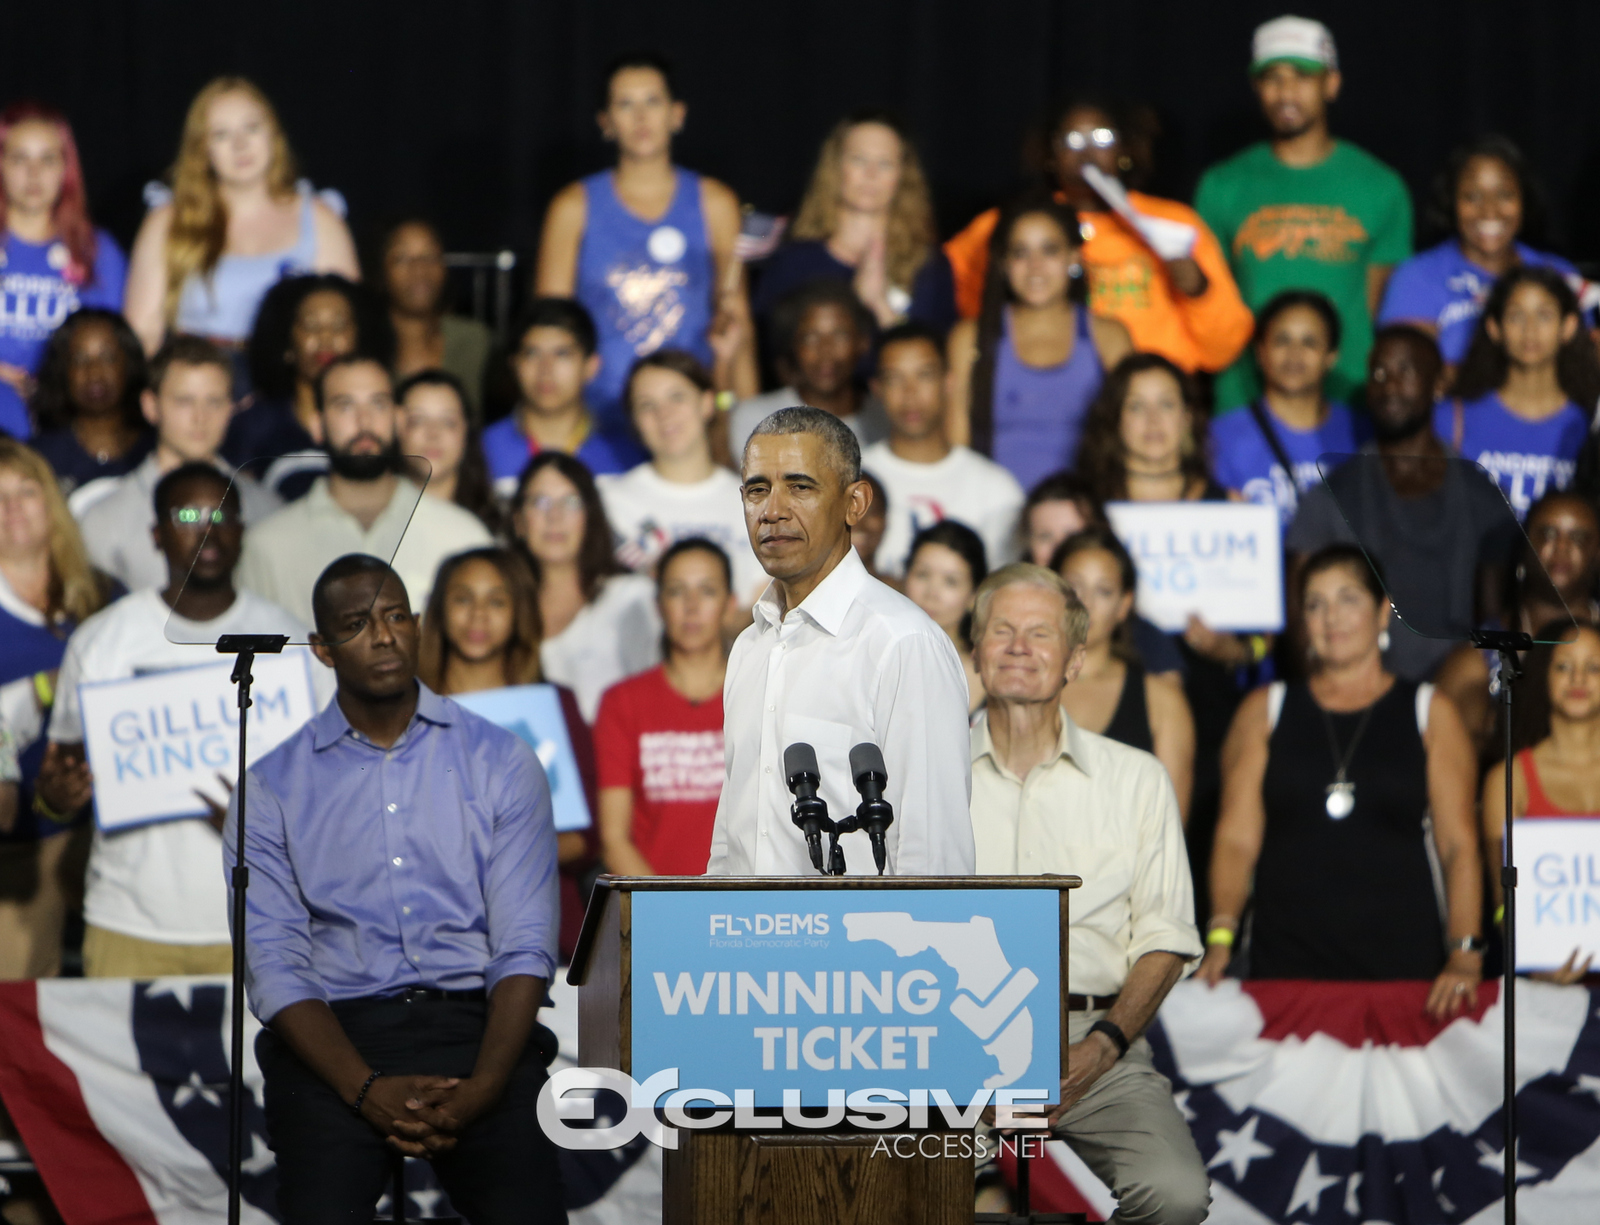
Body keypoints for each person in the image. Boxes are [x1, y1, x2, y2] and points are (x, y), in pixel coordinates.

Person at [226, 554, 564, 1224]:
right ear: (322, 650)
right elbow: (275, 969)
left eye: (396, 615)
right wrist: (367, 1089)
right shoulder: (269, 786)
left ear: (417, 626)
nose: (383, 635)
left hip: (478, 1026)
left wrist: (486, 1086)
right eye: (357, 623)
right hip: (338, 1040)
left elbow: (524, 945)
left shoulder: (501, 758)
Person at [967, 563, 1207, 1225]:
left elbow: (1166, 937)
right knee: (878, 1190)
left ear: (1074, 660)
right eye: (1002, 630)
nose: (1019, 646)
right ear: (976, 650)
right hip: (948, 1036)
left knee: (1175, 1193)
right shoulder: (923, 780)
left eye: (1040, 633)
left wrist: (1101, 1045)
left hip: (1094, 1032)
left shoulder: (1135, 778)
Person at [37, 463, 326, 977]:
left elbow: (332, 792)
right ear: (155, 534)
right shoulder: (102, 640)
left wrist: (255, 830)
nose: (207, 528)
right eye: (188, 514)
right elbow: (57, 781)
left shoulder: (291, 641)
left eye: (222, 514)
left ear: (242, 531)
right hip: (127, 923)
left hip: (262, 921)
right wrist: (58, 801)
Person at [1200, 545, 1484, 1018]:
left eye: (1347, 599)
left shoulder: (1430, 711)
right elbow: (1236, 839)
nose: (1331, 617)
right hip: (1284, 973)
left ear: (1381, 612)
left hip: (1406, 975)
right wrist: (1220, 937)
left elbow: (1459, 845)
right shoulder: (1265, 710)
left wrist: (1466, 952)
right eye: (1315, 604)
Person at [708, 406, 974, 875]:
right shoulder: (750, 647)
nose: (772, 511)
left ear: (855, 503)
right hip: (747, 942)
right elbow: (732, 843)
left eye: (800, 486)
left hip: (864, 945)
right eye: (757, 490)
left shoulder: (902, 643)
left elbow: (933, 860)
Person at [1196, 15, 1413, 410]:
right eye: (1272, 78)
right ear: (1256, 88)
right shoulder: (1221, 185)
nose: (1286, 92)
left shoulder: (1380, 186)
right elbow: (1209, 305)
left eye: (1302, 76)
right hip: (1244, 401)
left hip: (1348, 398)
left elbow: (1383, 310)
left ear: (1331, 84)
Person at [944, 99, 1252, 375]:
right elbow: (948, 278)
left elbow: (1222, 349)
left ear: (1123, 150)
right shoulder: (1019, 223)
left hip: (1152, 405)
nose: (1087, 153)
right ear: (1051, 154)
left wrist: (1197, 289)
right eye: (1072, 141)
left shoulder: (1172, 223)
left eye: (1101, 138)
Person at [535, 51, 754, 434]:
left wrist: (751, 426)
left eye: (652, 101)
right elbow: (550, 332)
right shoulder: (572, 207)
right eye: (625, 103)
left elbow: (738, 327)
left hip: (690, 423)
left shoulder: (715, 203)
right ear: (605, 122)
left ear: (677, 114)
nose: (641, 117)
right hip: (598, 419)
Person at [1287, 325, 1519, 682]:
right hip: (1358, 700)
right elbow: (1300, 618)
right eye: (1379, 374)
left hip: (1455, 702)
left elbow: (1497, 620)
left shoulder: (1483, 496)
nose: (1390, 385)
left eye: (1406, 371)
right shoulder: (1330, 497)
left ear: (1438, 383)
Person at [416, 546, 597, 962]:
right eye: (463, 598)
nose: (479, 615)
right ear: (439, 610)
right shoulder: (407, 713)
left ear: (520, 613)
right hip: (432, 945)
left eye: (497, 601)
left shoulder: (556, 706)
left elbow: (584, 838)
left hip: (543, 941)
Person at [237, 354, 493, 623]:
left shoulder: (461, 538)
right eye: (345, 406)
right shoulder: (267, 548)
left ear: (397, 419)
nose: (364, 421)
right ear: (317, 425)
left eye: (378, 404)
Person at [123, 77, 359, 354]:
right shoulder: (168, 221)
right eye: (221, 134)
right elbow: (142, 334)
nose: (240, 144)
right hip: (199, 387)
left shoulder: (319, 218)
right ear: (202, 150)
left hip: (290, 389)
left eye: (252, 128)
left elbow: (351, 328)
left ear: (274, 133)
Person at [0, 440, 112, 979]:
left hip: (111, 838)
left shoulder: (102, 594)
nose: (12, 508)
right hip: (20, 848)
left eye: (25, 492)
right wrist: (47, 687)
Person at [948, 195, 1133, 491]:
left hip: (1087, 516)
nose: (1035, 266)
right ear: (1004, 263)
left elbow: (1129, 442)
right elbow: (956, 450)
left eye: (1049, 250)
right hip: (994, 516)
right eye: (1021, 253)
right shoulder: (969, 338)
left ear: (1074, 257)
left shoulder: (1109, 337)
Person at [76, 335, 280, 590]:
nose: (200, 417)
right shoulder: (103, 521)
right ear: (151, 406)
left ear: (230, 408)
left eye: (214, 401)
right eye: (184, 401)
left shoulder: (266, 509)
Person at [1379, 135, 1590, 367]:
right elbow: (1411, 373)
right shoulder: (1416, 277)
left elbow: (1582, 365)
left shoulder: (1558, 273)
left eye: (1504, 195)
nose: (1489, 210)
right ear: (1451, 201)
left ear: (1524, 199)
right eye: (1473, 196)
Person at [595, 537, 734, 875]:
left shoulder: (760, 693)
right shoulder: (623, 703)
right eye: (676, 591)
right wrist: (667, 915)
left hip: (742, 913)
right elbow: (614, 839)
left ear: (730, 604)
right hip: (653, 912)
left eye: (707, 591)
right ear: (658, 605)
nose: (691, 606)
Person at [756, 112, 955, 337]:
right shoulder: (792, 262)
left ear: (902, 175)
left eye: (885, 163)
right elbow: (770, 353)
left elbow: (936, 360)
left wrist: (879, 306)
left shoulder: (929, 265)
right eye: (858, 159)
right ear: (835, 168)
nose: (871, 174)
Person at [1434, 491, 1600, 754]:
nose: (1562, 548)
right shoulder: (1477, 659)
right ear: (1524, 546)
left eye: (1578, 538)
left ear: (1597, 554)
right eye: (1548, 534)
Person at [0, 103, 127, 439]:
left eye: (47, 159)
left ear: (65, 168)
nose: (33, 173)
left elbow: (117, 346)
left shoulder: (97, 251)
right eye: (19, 159)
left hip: (70, 410)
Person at [1483, 620, 1600, 980]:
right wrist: (1535, 960)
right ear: (1543, 676)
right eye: (1564, 666)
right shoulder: (1508, 779)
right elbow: (1503, 906)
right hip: (1544, 992)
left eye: (1594, 667)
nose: (1578, 679)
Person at [599, 350, 765, 603]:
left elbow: (767, 600)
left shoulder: (756, 503)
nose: (664, 414)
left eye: (676, 397)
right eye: (647, 405)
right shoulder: (609, 503)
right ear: (634, 420)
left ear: (707, 403)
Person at [861, 322, 1024, 579]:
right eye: (895, 378)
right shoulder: (851, 480)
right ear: (876, 388)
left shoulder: (997, 489)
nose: (910, 393)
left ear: (949, 382)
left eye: (924, 375)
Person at [1054, 527, 1196, 820]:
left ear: (1124, 605)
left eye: (1103, 591)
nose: (1086, 603)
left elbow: (1170, 826)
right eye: (1074, 587)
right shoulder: (1013, 684)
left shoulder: (1161, 700)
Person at [511, 451, 659, 722]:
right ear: (518, 521)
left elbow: (654, 702)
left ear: (591, 516)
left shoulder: (630, 597)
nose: (554, 517)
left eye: (570, 502)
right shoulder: (502, 610)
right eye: (540, 502)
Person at [1442, 266, 1600, 519]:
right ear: (1494, 328)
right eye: (1516, 316)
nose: (1530, 329)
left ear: (1568, 327)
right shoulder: (1451, 418)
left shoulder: (1587, 426)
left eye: (1544, 315)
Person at [224, 273, 395, 496]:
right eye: (311, 325)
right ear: (286, 343)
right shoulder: (253, 426)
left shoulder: (381, 423)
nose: (325, 337)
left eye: (339, 325)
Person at [1210, 290, 1364, 524]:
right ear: (1260, 352)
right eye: (1282, 340)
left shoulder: (1362, 433)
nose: (1294, 354)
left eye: (1309, 342)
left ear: (1332, 356)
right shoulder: (1219, 438)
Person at [1020, 470, 1185, 680]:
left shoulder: (1147, 642)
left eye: (1073, 535)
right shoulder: (1006, 626)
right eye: (1045, 536)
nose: (1061, 548)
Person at [481, 299, 647, 496]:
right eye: (532, 354)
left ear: (591, 366)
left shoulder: (627, 454)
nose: (546, 369)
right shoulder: (482, 451)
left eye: (562, 354)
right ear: (515, 365)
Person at [727, 280, 888, 460]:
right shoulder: (757, 419)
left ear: (862, 343)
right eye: (811, 338)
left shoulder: (887, 418)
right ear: (792, 346)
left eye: (840, 335)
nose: (826, 351)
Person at [27, 308, 154, 496]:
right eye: (80, 359)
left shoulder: (157, 451)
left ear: (128, 365)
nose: (94, 372)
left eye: (107, 358)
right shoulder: (38, 458)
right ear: (62, 370)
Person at [384, 219, 493, 420]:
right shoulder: (364, 344)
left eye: (429, 256)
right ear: (382, 270)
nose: (418, 269)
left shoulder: (474, 342)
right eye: (402, 258)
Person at [397, 369, 502, 533]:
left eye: (448, 422)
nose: (433, 433)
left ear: (466, 430)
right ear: (396, 430)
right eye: (417, 420)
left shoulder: (492, 525)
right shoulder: (372, 518)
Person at [903, 521, 988, 714]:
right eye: (922, 575)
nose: (932, 593)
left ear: (974, 595)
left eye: (951, 582)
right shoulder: (876, 657)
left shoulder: (990, 675)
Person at [850, 469, 893, 586]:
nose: (858, 523)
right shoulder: (801, 595)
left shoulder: (905, 594)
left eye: (872, 511)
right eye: (848, 509)